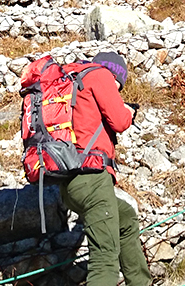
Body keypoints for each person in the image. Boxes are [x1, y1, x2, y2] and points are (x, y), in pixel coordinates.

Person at [48, 51, 150, 286]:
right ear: (117, 75)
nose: (116, 91)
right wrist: (129, 111)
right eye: (118, 87)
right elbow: (119, 121)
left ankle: (141, 282)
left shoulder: (76, 80)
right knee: (104, 257)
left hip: (69, 181)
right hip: (93, 177)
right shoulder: (101, 76)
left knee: (125, 217)